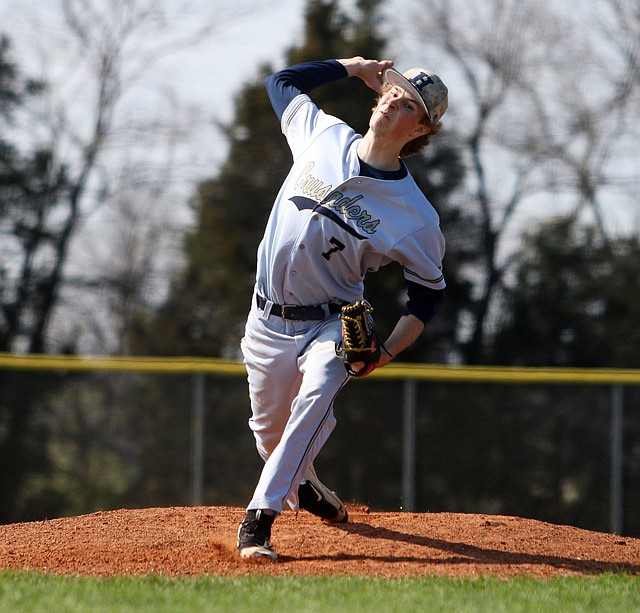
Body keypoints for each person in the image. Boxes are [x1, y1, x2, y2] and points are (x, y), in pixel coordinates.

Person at [237, 56, 449, 560]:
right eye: (392, 92)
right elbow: (280, 82)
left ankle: (258, 521)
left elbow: (428, 293)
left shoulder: (415, 216)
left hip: (332, 319)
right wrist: (353, 67)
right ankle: (304, 484)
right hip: (265, 320)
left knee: (316, 396)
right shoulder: (323, 134)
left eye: (409, 103)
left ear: (420, 128)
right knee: (270, 437)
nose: (394, 99)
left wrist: (388, 353)